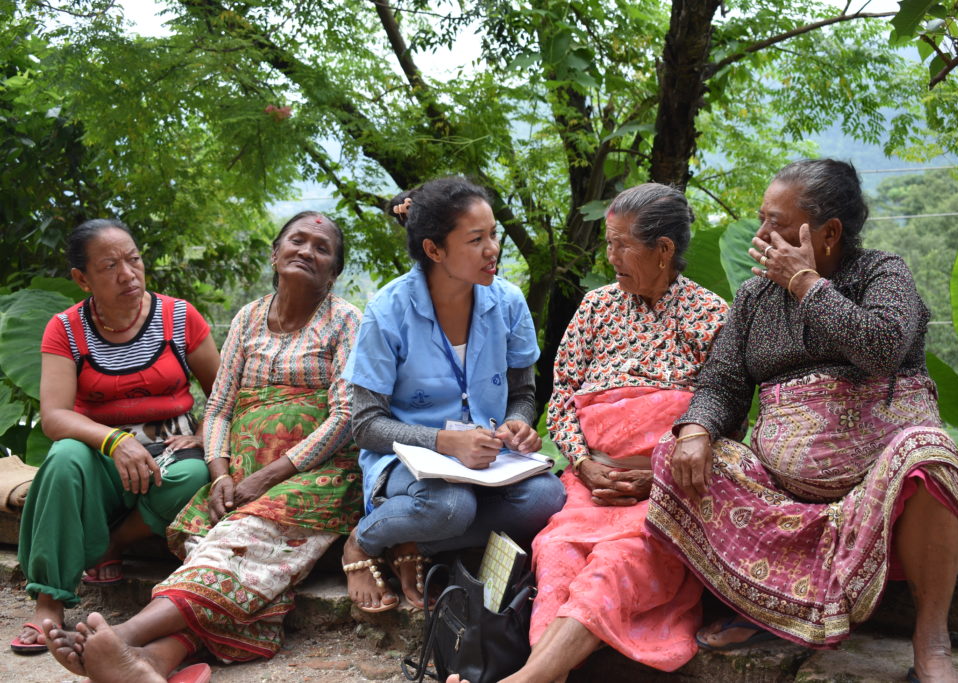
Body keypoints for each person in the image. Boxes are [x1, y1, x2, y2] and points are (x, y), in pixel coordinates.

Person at [646, 159, 958, 683]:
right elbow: (723, 383)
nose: (761, 235)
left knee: (930, 454)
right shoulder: (753, 297)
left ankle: (932, 641)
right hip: (780, 492)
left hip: (880, 485)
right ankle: (770, 608)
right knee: (676, 452)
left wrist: (805, 284)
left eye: (776, 223)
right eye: (761, 219)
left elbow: (881, 347)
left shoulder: (884, 274)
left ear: (830, 232)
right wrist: (698, 429)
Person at [41, 211, 364, 682]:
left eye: (322, 248)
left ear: (333, 272)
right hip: (239, 479)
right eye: (297, 241)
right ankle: (156, 661)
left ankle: (122, 638)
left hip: (314, 476)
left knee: (235, 549)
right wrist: (221, 475)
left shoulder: (346, 321)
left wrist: (266, 477)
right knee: (226, 559)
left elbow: (346, 416)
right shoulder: (248, 318)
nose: (306, 251)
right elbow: (219, 409)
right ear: (275, 253)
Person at [496, 183, 729, 682]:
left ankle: (527, 679)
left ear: (663, 250)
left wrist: (658, 474)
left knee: (617, 560)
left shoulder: (709, 315)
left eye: (623, 244)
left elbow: (724, 416)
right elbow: (561, 398)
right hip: (591, 487)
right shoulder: (596, 309)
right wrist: (584, 463)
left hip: (665, 494)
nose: (611, 256)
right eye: (608, 242)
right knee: (556, 553)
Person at [340, 176, 566, 613]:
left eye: (494, 234)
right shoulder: (388, 311)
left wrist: (518, 423)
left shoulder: (509, 302)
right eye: (476, 239)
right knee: (450, 506)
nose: (493, 249)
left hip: (486, 460)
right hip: (409, 463)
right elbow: (366, 426)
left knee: (548, 498)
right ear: (434, 250)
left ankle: (412, 541)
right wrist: (444, 443)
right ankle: (363, 540)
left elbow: (522, 392)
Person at [12, 219, 219, 655]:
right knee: (64, 458)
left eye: (134, 259)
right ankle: (49, 601)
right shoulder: (65, 328)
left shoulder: (179, 317)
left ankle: (109, 544)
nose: (128, 273)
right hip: (97, 451)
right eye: (109, 266)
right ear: (82, 278)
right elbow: (54, 417)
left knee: (196, 475)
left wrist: (202, 433)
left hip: (169, 451)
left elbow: (223, 392)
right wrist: (111, 441)